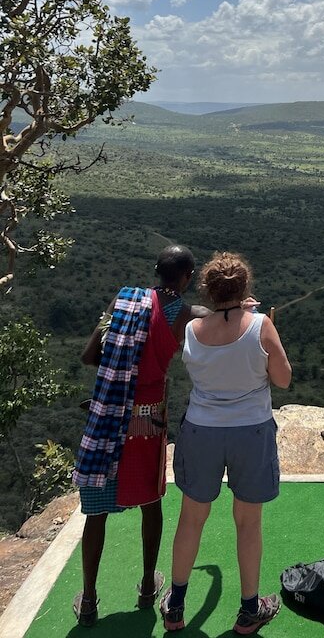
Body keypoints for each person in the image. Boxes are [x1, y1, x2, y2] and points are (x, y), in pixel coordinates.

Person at [161, 251, 292, 635]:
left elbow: (215, 333)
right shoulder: (261, 326)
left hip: (201, 430)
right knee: (248, 524)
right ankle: (249, 610)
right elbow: (283, 379)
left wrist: (234, 309)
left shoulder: (191, 330)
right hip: (250, 431)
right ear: (245, 287)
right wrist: (258, 322)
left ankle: (176, 604)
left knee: (191, 518)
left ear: (208, 289)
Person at [72, 245, 199, 626]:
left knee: (96, 510)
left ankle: (90, 599)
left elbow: (89, 355)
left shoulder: (124, 300)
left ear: (157, 271)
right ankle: (147, 587)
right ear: (187, 277)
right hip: (148, 418)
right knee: (151, 499)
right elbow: (216, 317)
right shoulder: (185, 312)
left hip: (110, 412)